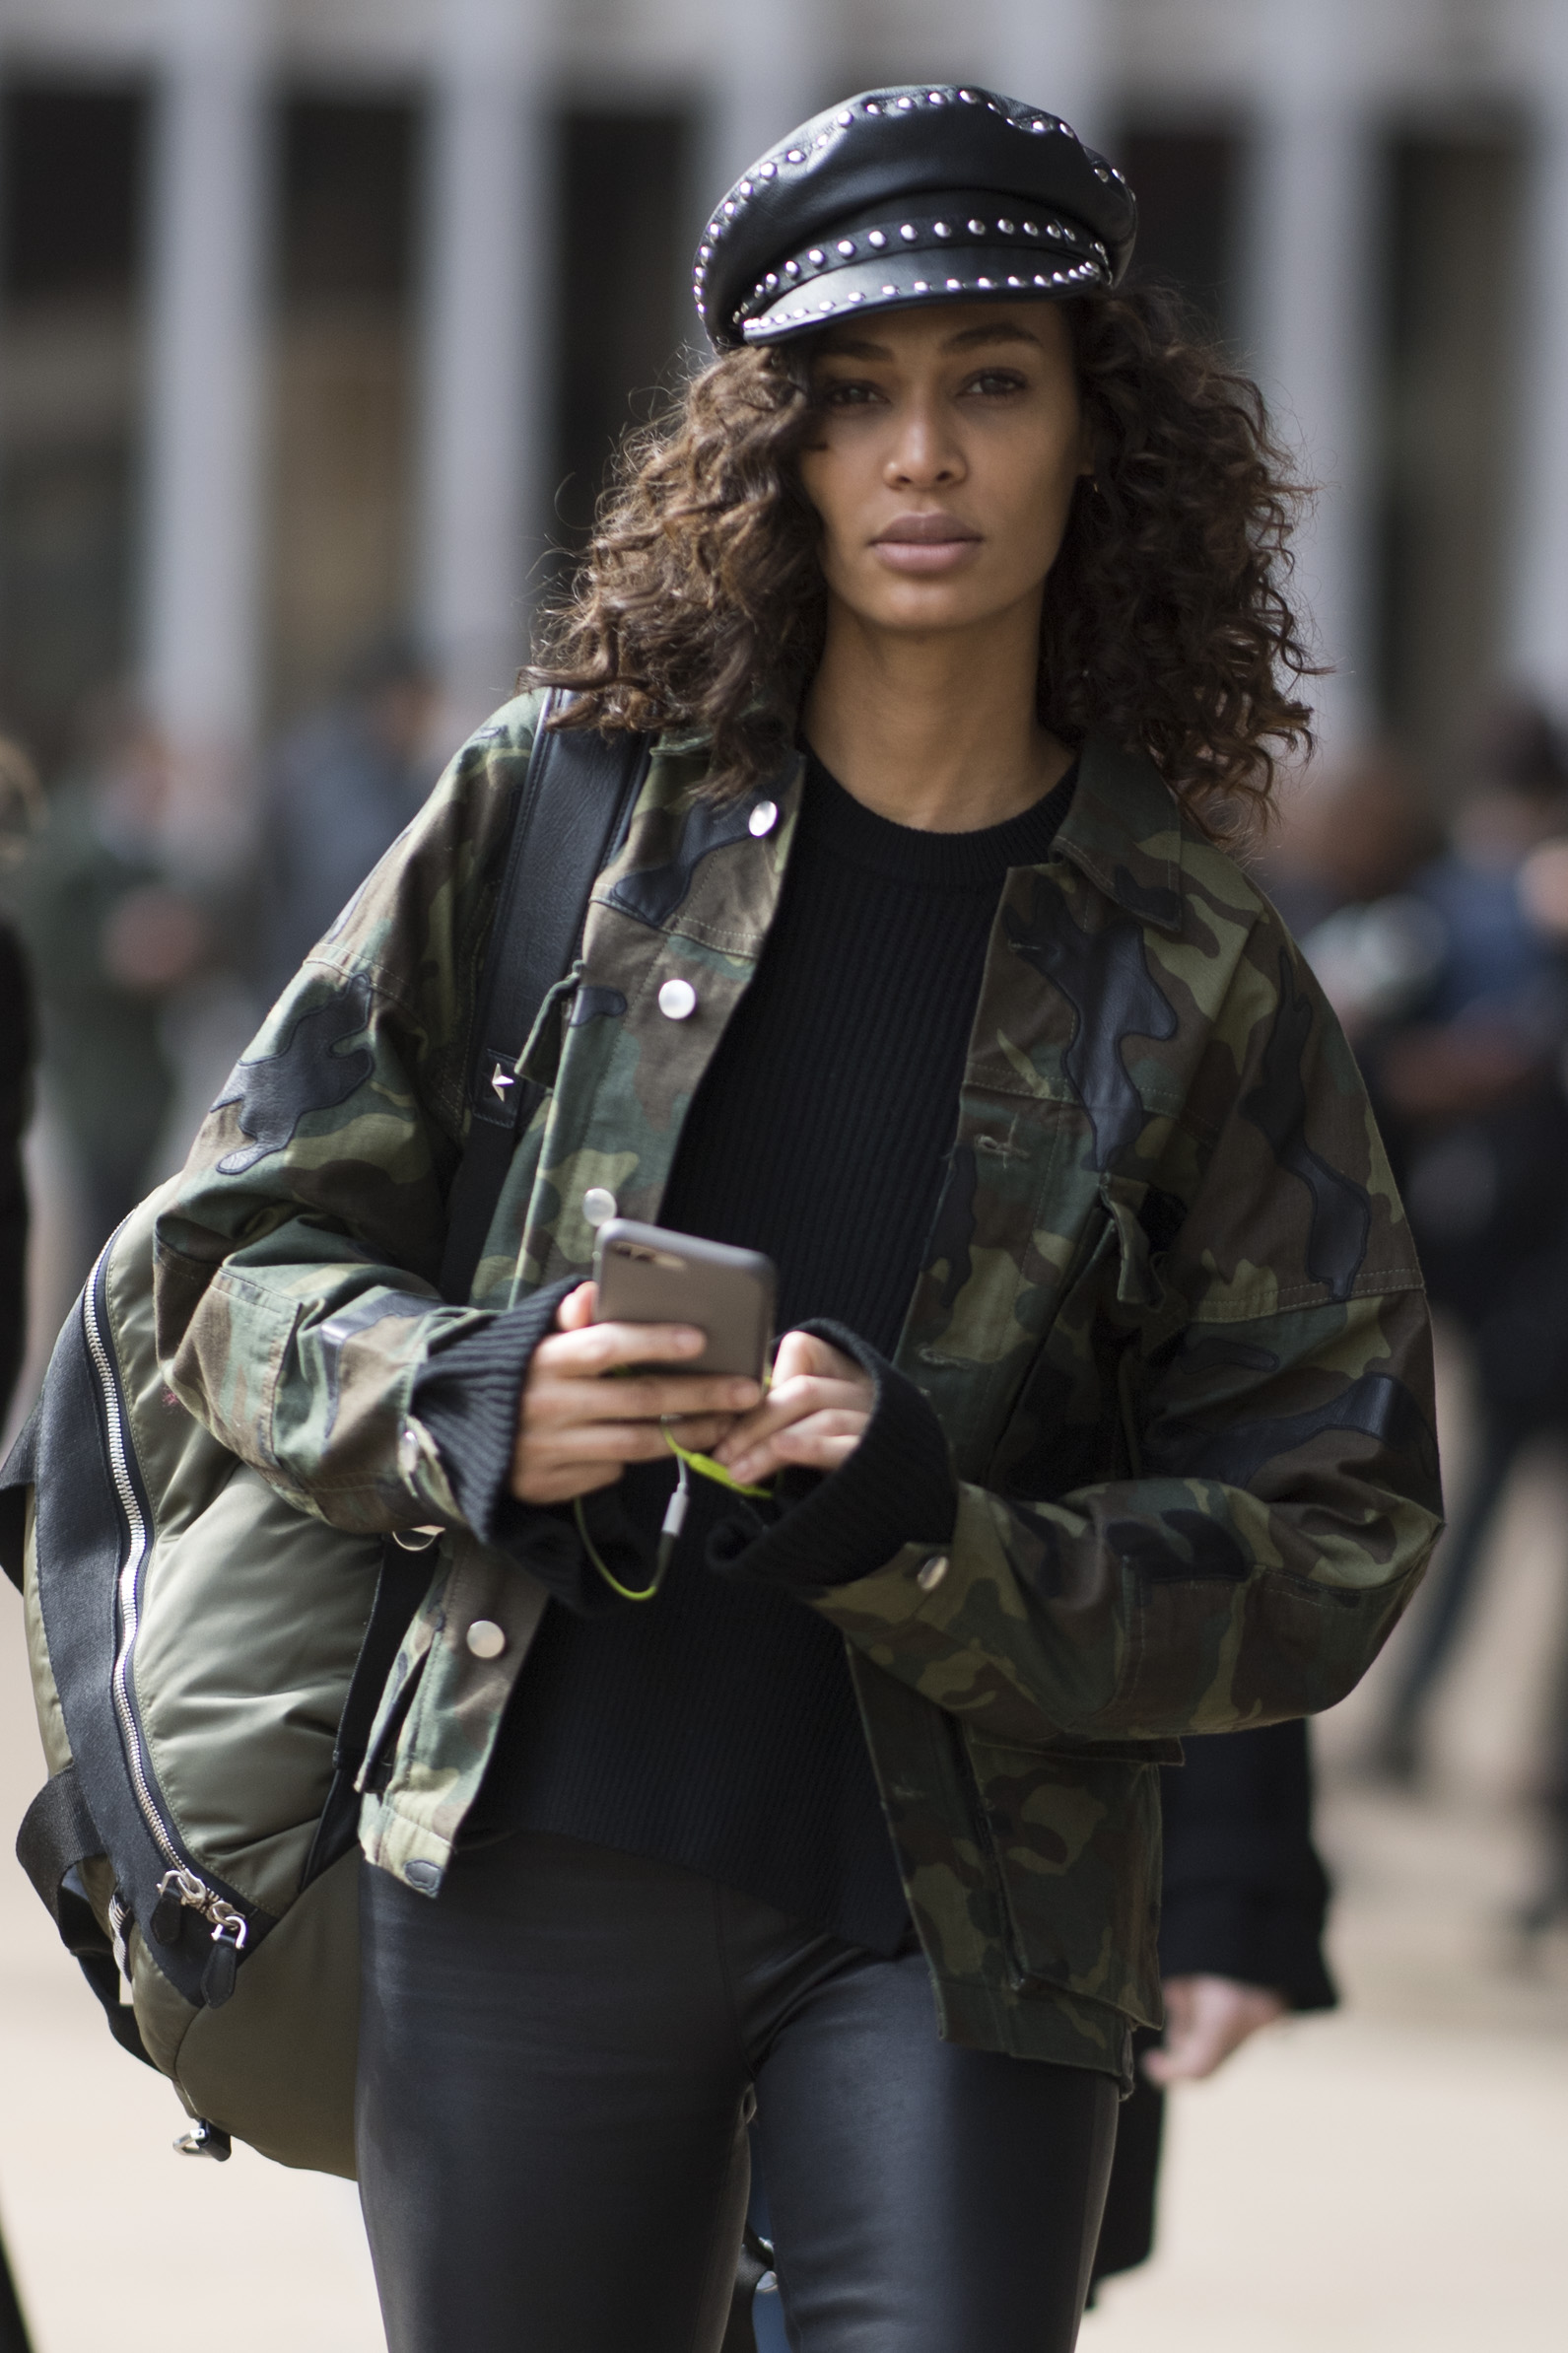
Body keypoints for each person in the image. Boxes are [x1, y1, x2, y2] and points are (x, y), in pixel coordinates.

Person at [154, 87, 1442, 2353]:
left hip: (969, 1929)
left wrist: (923, 1528)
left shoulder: (1190, 953)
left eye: (986, 387)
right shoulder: (551, 809)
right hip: (537, 1858)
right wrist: (475, 1392)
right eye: (852, 398)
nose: (920, 456)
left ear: (1093, 442)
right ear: (776, 453)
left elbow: (1329, 1523)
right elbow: (216, 1264)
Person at [256, 635, 439, 1001]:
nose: (426, 721)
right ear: (393, 700)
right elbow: (349, 895)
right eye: (420, 704)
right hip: (327, 994)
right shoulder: (339, 781)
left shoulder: (372, 771)